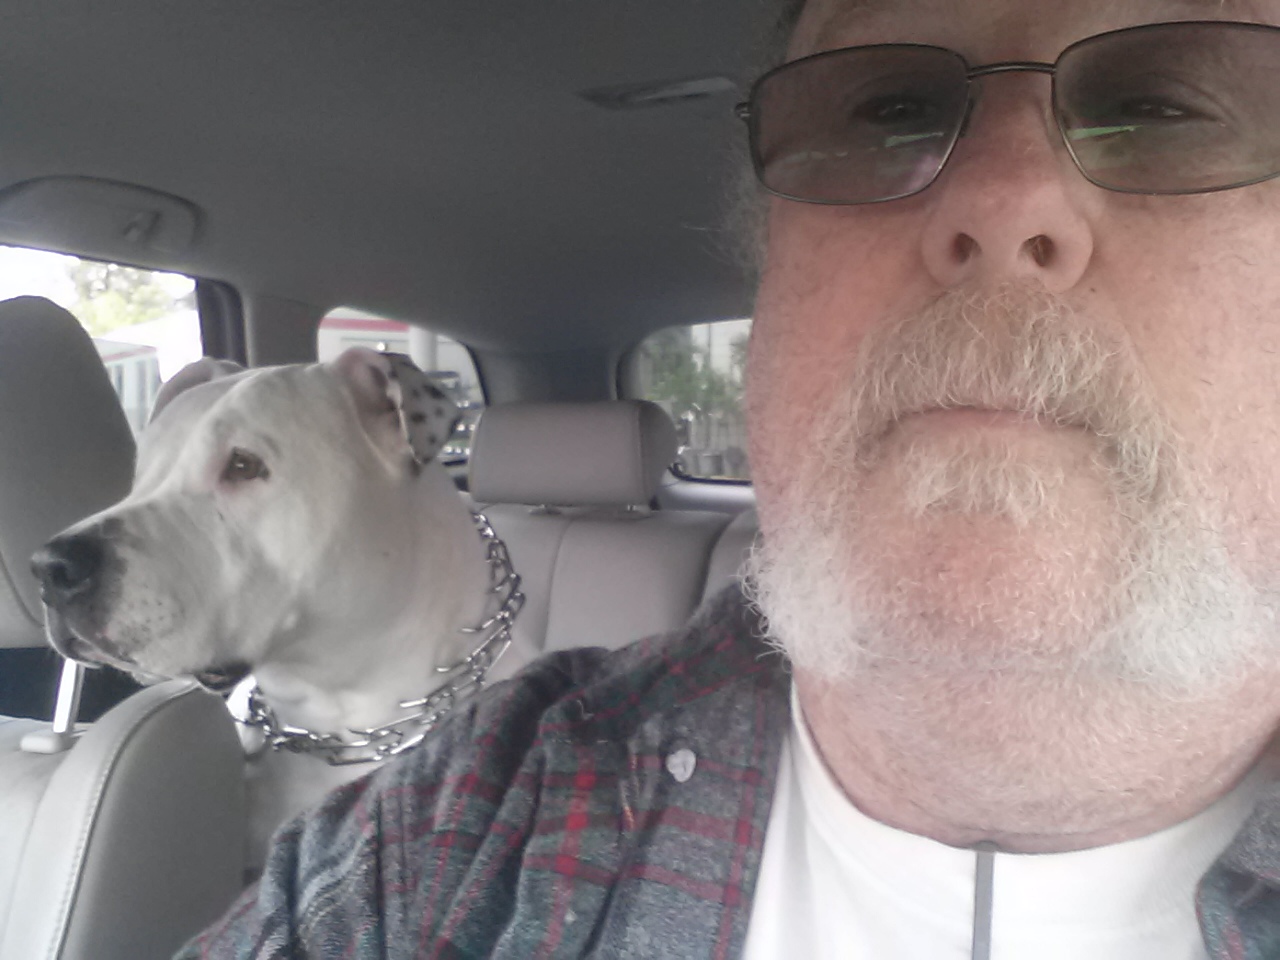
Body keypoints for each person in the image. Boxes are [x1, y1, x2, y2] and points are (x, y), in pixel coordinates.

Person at [177, 0, 1280, 957]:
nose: (1000, 197)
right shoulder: (443, 846)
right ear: (771, 289)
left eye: (1165, 104)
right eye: (885, 110)